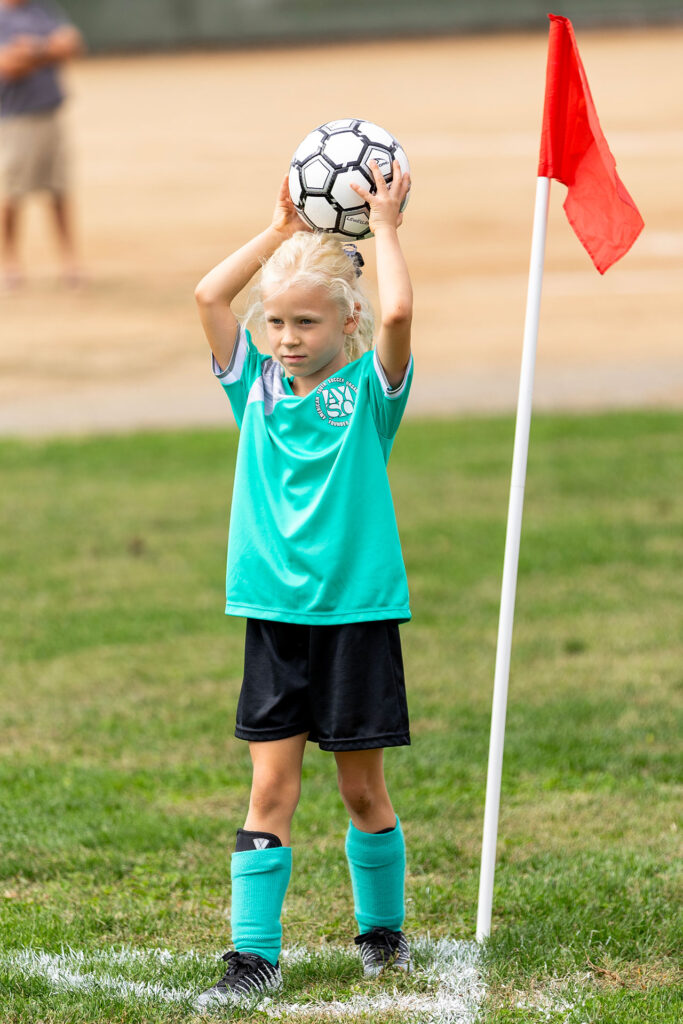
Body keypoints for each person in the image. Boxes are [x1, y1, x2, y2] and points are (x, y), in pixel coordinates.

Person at [194, 158, 413, 1006]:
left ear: (344, 323)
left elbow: (396, 308)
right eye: (277, 323)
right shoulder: (253, 389)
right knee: (270, 786)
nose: (286, 338)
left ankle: (382, 935)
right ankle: (251, 957)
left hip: (356, 614)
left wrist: (382, 228)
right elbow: (212, 297)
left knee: (361, 789)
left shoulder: (367, 393)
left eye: (305, 324)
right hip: (273, 617)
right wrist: (282, 234)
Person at [0, 0, 83, 287]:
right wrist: (49, 49)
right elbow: (9, 65)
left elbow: (72, 44)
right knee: (13, 194)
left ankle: (70, 261)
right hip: (16, 119)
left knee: (59, 190)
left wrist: (32, 50)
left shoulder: (41, 9)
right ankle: (10, 262)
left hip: (51, 113)